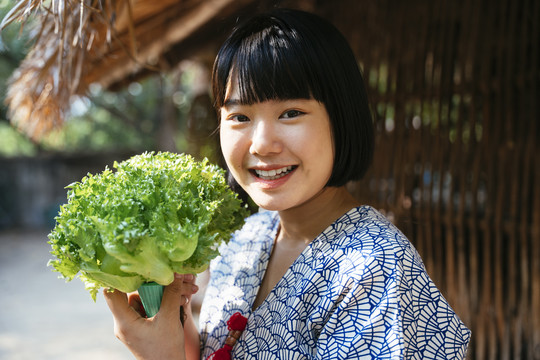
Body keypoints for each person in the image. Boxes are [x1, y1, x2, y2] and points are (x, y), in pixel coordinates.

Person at [105, 8, 471, 359]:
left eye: (291, 113)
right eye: (240, 116)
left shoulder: (373, 270)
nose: (262, 143)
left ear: (342, 118)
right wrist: (169, 326)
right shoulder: (247, 237)